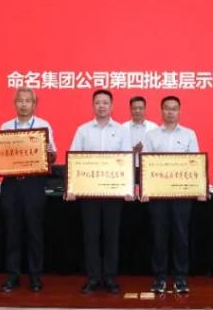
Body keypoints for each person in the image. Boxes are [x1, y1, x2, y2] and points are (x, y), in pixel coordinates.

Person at [67, 90, 131, 294]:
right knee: (91, 237)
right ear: (93, 105)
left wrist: (128, 188)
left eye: (105, 102)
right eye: (98, 103)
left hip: (114, 194)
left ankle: (110, 278)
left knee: (112, 237)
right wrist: (72, 188)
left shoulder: (122, 131)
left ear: (112, 106)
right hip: (89, 193)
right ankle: (93, 278)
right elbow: (74, 160)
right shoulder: (83, 130)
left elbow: (127, 160)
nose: (101, 106)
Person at [141, 96, 201, 294]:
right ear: (161, 111)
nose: (170, 112)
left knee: (181, 237)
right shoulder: (151, 135)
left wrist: (197, 189)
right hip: (157, 195)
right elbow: (145, 164)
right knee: (159, 237)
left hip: (181, 195)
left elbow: (195, 164)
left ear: (179, 111)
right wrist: (146, 190)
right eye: (167, 108)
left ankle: (180, 277)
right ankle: (159, 277)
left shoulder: (189, 134)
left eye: (174, 108)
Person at [0, 87, 56, 293]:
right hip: (11, 185)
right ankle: (12, 275)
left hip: (33, 184)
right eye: (20, 100)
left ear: (34, 104)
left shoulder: (43, 126)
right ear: (15, 104)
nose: (23, 104)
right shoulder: (5, 126)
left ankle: (35, 276)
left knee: (34, 231)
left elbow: (52, 158)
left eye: (27, 101)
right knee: (12, 231)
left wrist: (50, 153)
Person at [125, 96, 158, 168]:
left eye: (140, 108)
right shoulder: (123, 128)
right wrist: (133, 151)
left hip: (148, 166)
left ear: (145, 109)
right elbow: (119, 151)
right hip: (128, 167)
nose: (137, 111)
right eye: (134, 108)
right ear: (130, 109)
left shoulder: (154, 127)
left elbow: (158, 150)